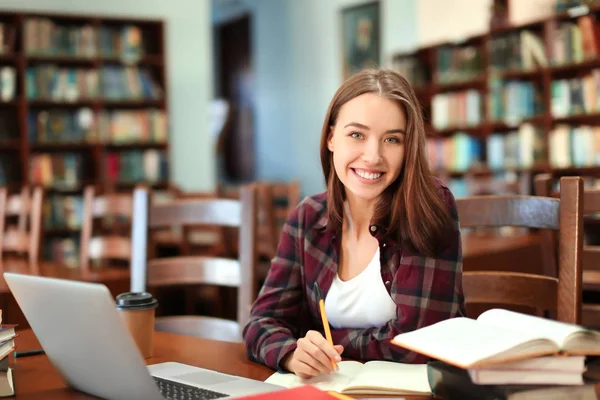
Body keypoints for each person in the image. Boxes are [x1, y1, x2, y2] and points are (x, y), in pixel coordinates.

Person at [243, 68, 465, 379]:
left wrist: (326, 341)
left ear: (408, 148)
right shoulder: (307, 217)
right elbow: (260, 322)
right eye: (356, 135)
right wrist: (293, 354)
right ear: (332, 137)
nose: (373, 156)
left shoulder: (429, 207)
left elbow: (418, 341)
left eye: (391, 139)